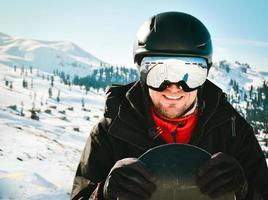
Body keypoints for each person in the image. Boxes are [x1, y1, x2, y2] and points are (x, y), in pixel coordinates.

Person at [71, 12, 268, 200]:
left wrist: (245, 191)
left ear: (206, 72)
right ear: (141, 71)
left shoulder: (232, 131)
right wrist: (103, 193)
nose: (174, 88)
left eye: (189, 73)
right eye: (158, 72)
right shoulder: (111, 131)